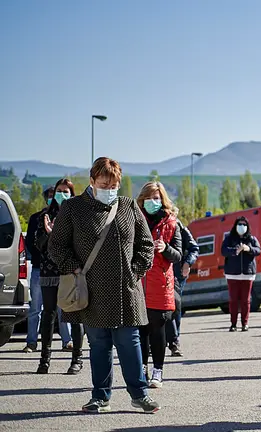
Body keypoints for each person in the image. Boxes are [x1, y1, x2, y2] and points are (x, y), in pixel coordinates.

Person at [48, 157, 160, 414]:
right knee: (99, 345)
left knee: (130, 342)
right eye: (103, 184)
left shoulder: (128, 206)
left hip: (126, 291)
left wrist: (136, 271)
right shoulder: (73, 208)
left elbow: (146, 244)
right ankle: (100, 396)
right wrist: (74, 268)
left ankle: (140, 395)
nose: (109, 190)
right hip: (91, 290)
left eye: (113, 185)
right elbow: (56, 246)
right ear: (91, 181)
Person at [35, 179, 85, 375]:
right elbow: (38, 245)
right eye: (59, 191)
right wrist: (49, 233)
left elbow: (80, 245)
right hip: (49, 272)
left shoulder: (77, 216)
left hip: (70, 271)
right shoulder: (44, 216)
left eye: (66, 191)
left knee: (74, 314)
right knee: (48, 314)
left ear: (72, 194)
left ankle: (77, 359)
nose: (61, 194)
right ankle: (44, 360)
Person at [136, 182, 183, 389]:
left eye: (156, 198)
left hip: (161, 284)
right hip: (138, 283)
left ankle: (158, 371)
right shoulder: (135, 219)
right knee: (140, 331)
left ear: (162, 199)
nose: (152, 202)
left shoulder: (172, 223)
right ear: (142, 200)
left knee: (157, 329)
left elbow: (178, 255)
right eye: (148, 198)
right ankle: (142, 370)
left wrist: (165, 248)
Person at [22, 186, 54, 353]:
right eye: (50, 195)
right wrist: (41, 254)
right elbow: (30, 243)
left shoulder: (65, 216)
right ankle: (31, 342)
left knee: (63, 309)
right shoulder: (36, 218)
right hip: (38, 268)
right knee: (35, 308)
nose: (53, 198)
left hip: (60, 270)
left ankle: (67, 341)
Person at [221, 216, 261, 332]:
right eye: (239, 224)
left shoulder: (252, 239)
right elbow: (223, 251)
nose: (242, 227)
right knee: (233, 300)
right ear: (235, 226)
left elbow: (258, 250)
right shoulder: (229, 238)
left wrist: (249, 249)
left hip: (247, 274)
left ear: (247, 226)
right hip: (232, 273)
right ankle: (233, 324)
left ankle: (245, 323)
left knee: (246, 300)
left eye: (244, 225)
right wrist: (235, 251)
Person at [165, 220, 199, 357]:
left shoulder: (177, 225)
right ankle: (152, 342)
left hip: (176, 274)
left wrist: (187, 263)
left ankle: (174, 342)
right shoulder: (148, 221)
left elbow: (194, 248)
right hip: (155, 272)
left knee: (174, 306)